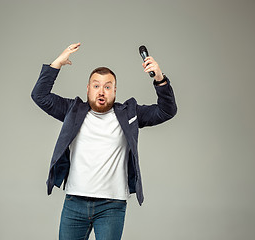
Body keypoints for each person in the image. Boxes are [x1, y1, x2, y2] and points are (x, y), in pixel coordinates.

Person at [31, 43, 177, 240]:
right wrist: (57, 63)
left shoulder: (129, 114)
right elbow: (39, 96)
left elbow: (166, 111)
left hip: (112, 206)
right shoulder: (72, 111)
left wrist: (159, 78)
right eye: (96, 86)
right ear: (88, 89)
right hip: (75, 202)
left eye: (107, 87)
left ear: (115, 90)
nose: (101, 91)